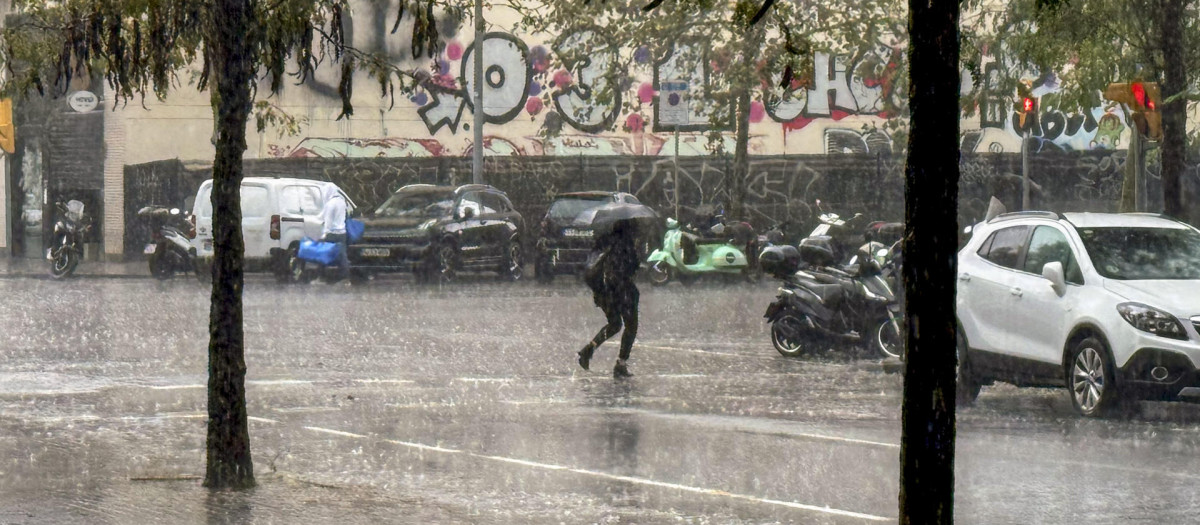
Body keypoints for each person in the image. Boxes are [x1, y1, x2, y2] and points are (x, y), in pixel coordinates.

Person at [577, 220, 641, 378]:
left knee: (615, 324)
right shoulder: (625, 244)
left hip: (603, 292)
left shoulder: (604, 242)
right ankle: (621, 364)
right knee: (631, 326)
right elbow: (630, 268)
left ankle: (589, 350)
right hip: (621, 292)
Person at [318, 183, 350, 283]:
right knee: (342, 256)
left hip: (332, 234)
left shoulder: (330, 204)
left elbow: (328, 221)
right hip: (342, 233)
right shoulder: (342, 202)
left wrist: (324, 234)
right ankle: (344, 277)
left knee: (323, 255)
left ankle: (322, 277)